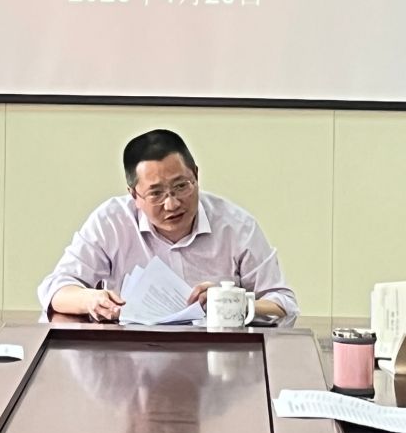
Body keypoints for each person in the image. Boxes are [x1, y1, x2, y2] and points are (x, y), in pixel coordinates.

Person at [38, 129, 296, 322]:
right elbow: (55, 289)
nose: (172, 204)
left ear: (196, 175)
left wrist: (230, 302)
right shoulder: (111, 223)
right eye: (156, 193)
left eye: (181, 186)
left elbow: (284, 304)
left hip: (217, 360)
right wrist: (90, 300)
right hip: (129, 359)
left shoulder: (237, 227)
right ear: (134, 194)